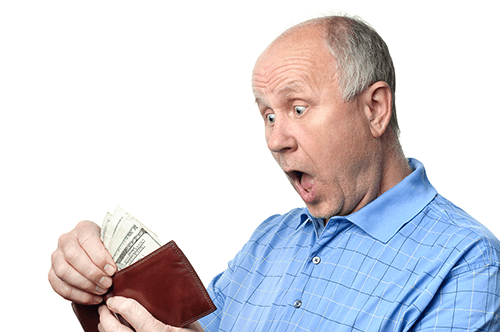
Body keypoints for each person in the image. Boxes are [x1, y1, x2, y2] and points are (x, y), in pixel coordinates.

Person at [49, 15, 500, 331]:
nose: (275, 139)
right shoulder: (270, 241)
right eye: (267, 115)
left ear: (375, 109)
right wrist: (101, 279)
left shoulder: (465, 262)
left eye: (297, 108)